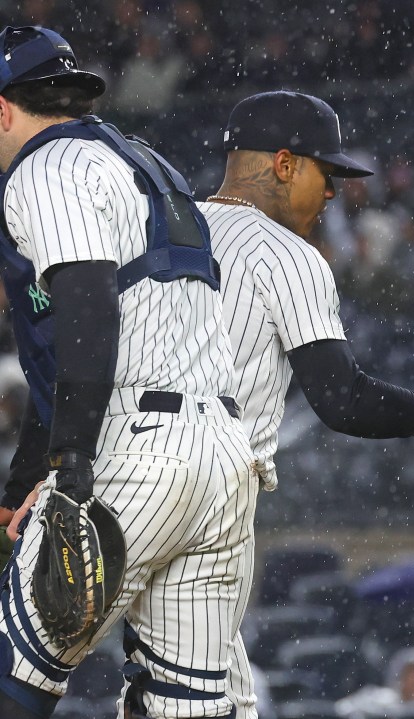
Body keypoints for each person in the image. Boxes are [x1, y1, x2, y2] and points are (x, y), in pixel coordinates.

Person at [195, 91, 414, 715]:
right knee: (195, 691)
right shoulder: (291, 255)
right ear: (286, 163)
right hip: (205, 493)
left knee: (181, 690)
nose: (334, 193)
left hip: (116, 469)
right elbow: (344, 401)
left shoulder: (161, 231)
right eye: (328, 173)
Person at [0, 25, 256, 719]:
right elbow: (68, 342)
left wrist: (70, 465)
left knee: (12, 677)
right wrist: (25, 475)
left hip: (132, 451)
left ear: (2, 109)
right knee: (180, 708)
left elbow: (87, 315)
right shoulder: (147, 163)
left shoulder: (44, 169)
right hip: (223, 464)